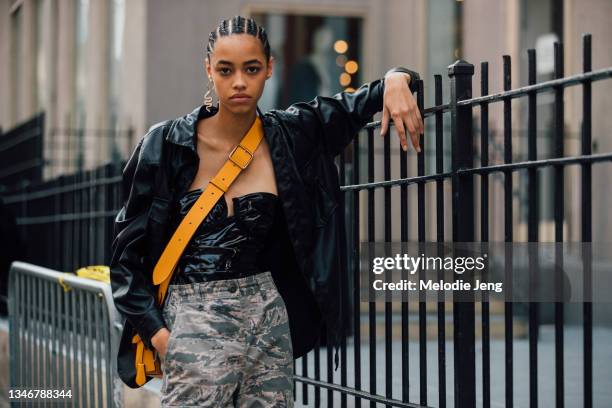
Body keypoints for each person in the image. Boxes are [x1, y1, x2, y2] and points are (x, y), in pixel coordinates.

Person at [110, 15, 422, 407]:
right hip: (194, 317)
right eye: (226, 70)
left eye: (251, 68)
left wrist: (396, 78)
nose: (239, 81)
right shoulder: (165, 144)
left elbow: (360, 103)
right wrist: (161, 336)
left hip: (268, 316)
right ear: (209, 70)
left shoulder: (291, 134)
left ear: (269, 68)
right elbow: (125, 258)